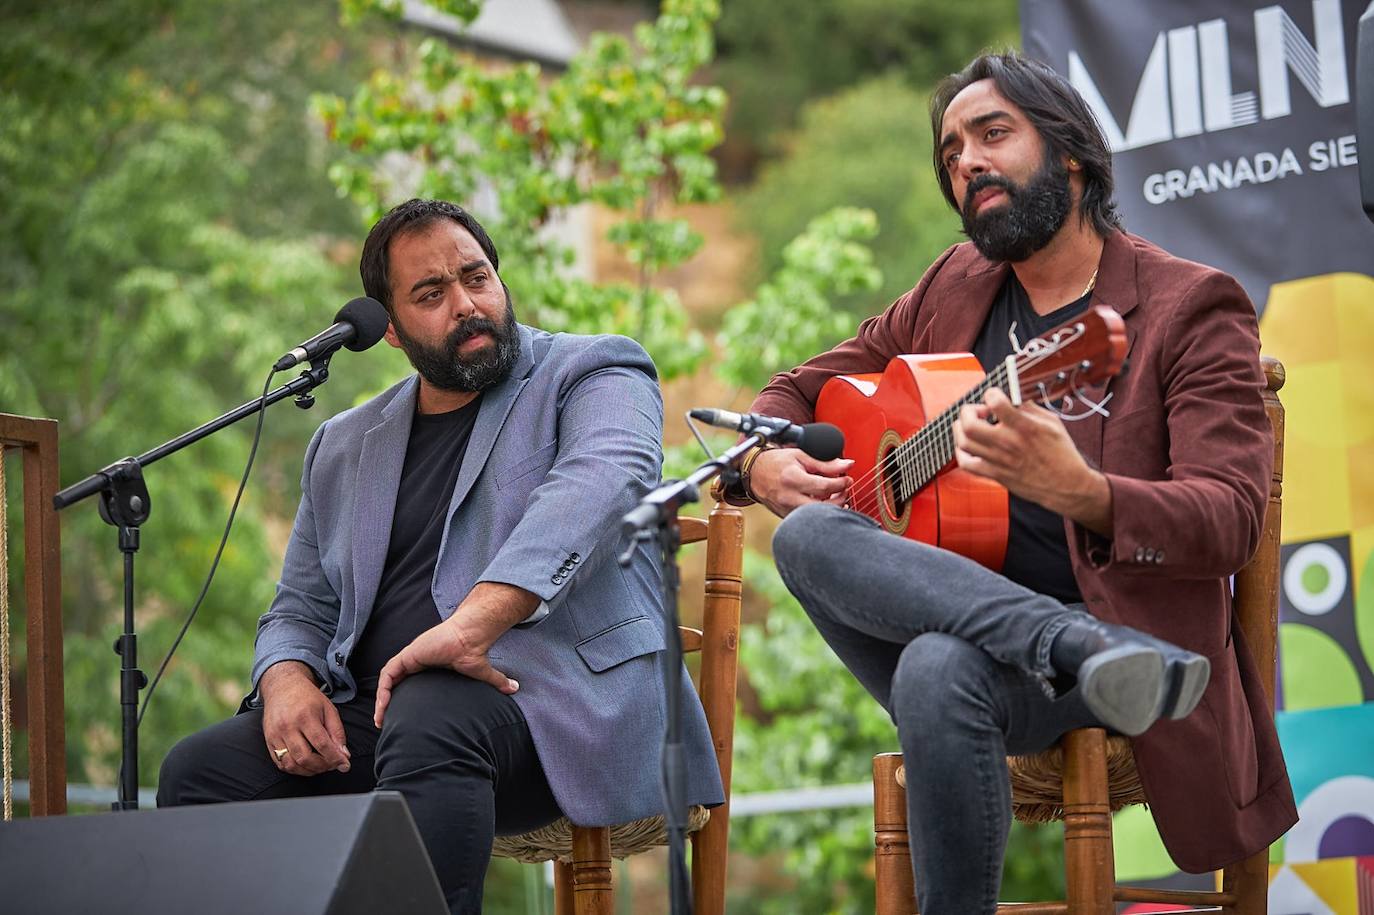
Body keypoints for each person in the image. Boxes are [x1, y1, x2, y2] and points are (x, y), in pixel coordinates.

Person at [733, 52, 1297, 913]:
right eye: (951, 151)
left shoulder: (1190, 306)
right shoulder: (952, 284)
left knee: (931, 668)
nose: (967, 162)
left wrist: (1087, 493)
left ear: (1071, 153)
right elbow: (796, 391)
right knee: (808, 533)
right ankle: (1066, 644)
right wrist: (759, 459)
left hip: (1127, 635)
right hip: (1028, 650)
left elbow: (1229, 521)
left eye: (993, 133)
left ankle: (1087, 645)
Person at [157, 199, 723, 914]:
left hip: (559, 710)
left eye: (476, 277)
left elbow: (601, 484)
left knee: (432, 713)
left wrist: (471, 624)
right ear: (389, 327)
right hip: (380, 719)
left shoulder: (594, 369)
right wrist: (286, 681)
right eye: (431, 293)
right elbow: (299, 604)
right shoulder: (342, 443)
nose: (466, 303)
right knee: (198, 772)